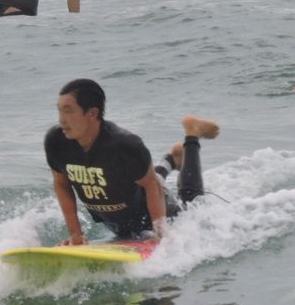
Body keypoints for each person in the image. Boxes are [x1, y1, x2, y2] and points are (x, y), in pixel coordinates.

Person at [44, 79, 219, 244]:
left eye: (68, 111)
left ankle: (192, 134)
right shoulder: (57, 142)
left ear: (92, 113)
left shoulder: (124, 145)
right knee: (140, 176)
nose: (61, 119)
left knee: (192, 204)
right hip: (119, 224)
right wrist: (76, 236)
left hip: (151, 215)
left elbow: (151, 186)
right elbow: (62, 184)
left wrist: (161, 234)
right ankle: (171, 159)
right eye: (59, 110)